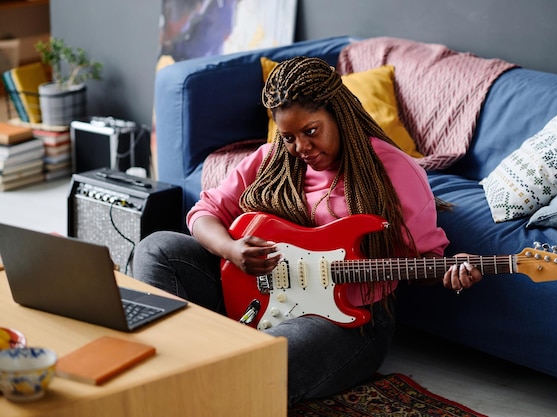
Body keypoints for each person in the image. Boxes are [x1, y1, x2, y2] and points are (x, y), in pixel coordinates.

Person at [133, 56, 483, 405]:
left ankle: (200, 375)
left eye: (311, 131)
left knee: (261, 363)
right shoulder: (272, 158)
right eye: (288, 137)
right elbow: (203, 213)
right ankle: (172, 367)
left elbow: (423, 261)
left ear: (339, 115)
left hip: (344, 322)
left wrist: (448, 270)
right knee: (157, 248)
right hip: (253, 294)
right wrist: (231, 250)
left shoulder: (395, 172)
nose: (301, 148)